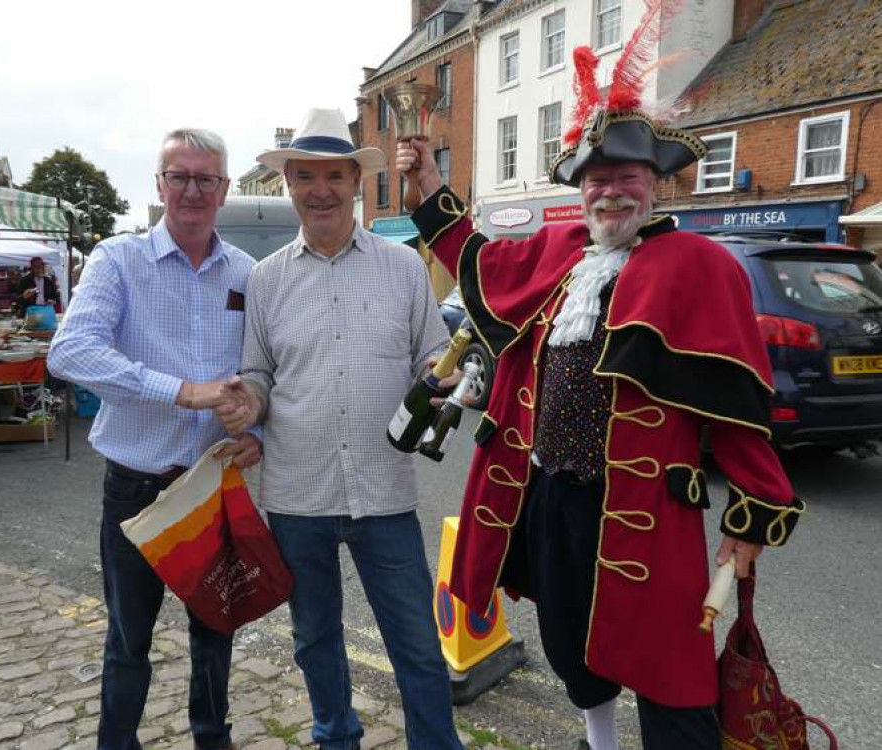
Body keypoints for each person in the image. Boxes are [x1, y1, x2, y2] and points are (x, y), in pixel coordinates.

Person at [395, 38, 806, 750]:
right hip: (547, 492)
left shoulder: (697, 266)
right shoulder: (561, 253)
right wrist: (430, 188)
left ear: (655, 183)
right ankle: (599, 741)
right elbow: (477, 259)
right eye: (593, 180)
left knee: (668, 667)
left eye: (623, 176)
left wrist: (751, 508)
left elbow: (735, 404)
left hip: (643, 507)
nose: (607, 191)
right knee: (568, 640)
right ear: (577, 190)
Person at [213, 108, 464, 750]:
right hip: (297, 495)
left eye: (332, 175)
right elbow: (260, 372)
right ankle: (336, 738)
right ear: (290, 184)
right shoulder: (264, 281)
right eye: (304, 176)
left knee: (415, 641)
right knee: (315, 638)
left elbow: (430, 358)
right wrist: (250, 406)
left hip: (384, 494)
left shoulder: (404, 267)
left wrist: (448, 384)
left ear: (356, 181)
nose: (318, 189)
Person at [48, 127, 260, 750]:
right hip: (136, 489)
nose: (191, 190)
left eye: (205, 179)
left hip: (212, 485)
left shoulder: (247, 272)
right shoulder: (119, 260)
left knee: (214, 633)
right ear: (159, 184)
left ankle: (210, 739)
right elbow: (71, 352)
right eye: (178, 176)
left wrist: (256, 428)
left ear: (224, 189)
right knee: (128, 639)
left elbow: (259, 372)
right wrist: (182, 390)